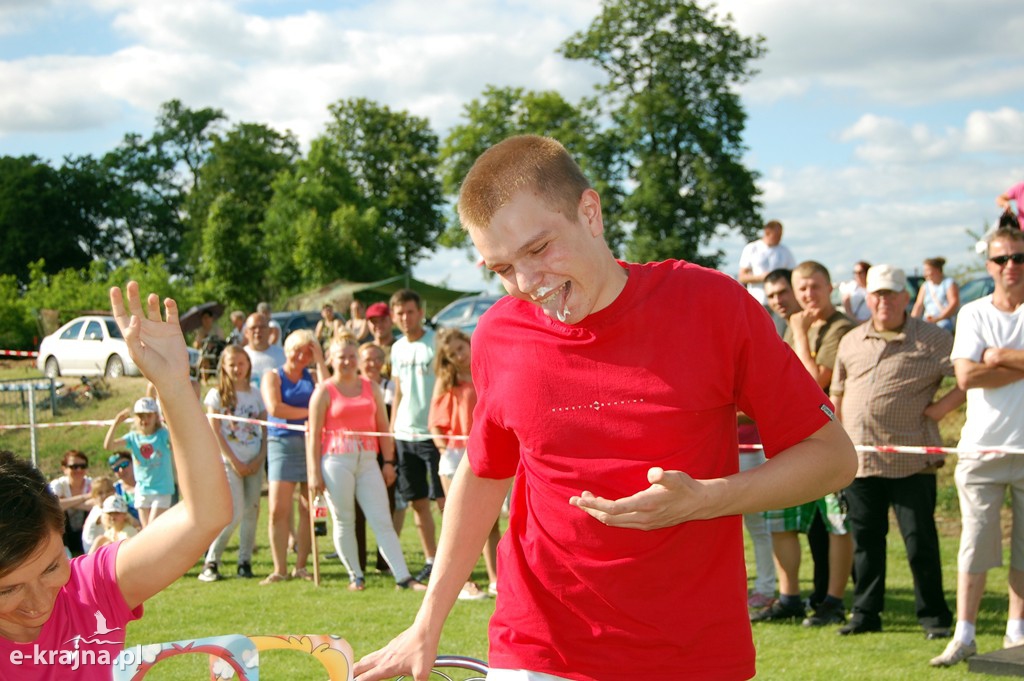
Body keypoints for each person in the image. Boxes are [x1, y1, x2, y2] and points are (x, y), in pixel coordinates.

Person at [354, 135, 857, 681]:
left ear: (589, 213)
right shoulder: (498, 333)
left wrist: (709, 498)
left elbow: (832, 457)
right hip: (538, 651)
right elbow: (483, 472)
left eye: (539, 248)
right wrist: (427, 622)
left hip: (691, 656)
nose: (527, 284)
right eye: (501, 268)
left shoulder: (709, 305)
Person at [0, 281, 231, 679]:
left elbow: (205, 514)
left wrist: (173, 384)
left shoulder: (89, 591)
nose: (38, 603)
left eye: (53, 566)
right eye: (8, 589)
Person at [831, 264, 961, 637]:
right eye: (877, 294)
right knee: (866, 543)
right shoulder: (851, 340)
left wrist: (939, 410)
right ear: (867, 297)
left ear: (906, 296)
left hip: (911, 459)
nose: (883, 301)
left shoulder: (933, 338)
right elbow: (837, 394)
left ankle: (934, 617)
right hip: (860, 460)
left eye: (890, 293)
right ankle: (865, 614)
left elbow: (965, 377)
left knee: (919, 541)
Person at [930, 226, 1024, 667]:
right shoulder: (972, 313)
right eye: (1002, 259)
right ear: (989, 266)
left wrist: (999, 357)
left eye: (1019, 258)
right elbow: (965, 378)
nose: (1011, 266)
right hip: (982, 450)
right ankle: (964, 634)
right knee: (975, 544)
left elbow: (981, 367)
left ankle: (1015, 632)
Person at [754, 261, 856, 628]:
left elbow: (812, 385)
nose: (806, 296)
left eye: (814, 287)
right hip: (791, 441)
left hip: (829, 442)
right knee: (781, 520)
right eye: (801, 289)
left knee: (836, 524)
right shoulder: (795, 325)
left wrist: (797, 333)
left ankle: (832, 602)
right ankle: (790, 597)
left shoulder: (840, 327)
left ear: (830, 287)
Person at [307, 335, 426, 591]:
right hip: (336, 461)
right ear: (332, 359)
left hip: (369, 460)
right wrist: (313, 473)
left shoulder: (370, 386)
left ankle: (403, 577)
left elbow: (383, 427)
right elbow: (314, 435)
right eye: (342, 357)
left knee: (382, 518)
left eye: (352, 356)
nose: (348, 362)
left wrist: (389, 462)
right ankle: (356, 575)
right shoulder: (323, 391)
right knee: (344, 520)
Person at [428, 328, 500, 601]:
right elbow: (434, 421)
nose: (460, 356)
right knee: (457, 521)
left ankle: (496, 580)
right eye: (453, 353)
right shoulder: (446, 379)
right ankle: (464, 583)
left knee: (490, 520)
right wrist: (443, 447)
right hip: (456, 455)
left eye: (461, 348)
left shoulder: (485, 370)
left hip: (486, 450)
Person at [260, 329, 328, 585]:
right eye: (297, 350)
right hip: (282, 444)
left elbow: (329, 390)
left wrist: (320, 359)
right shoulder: (273, 376)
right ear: (287, 350)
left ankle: (301, 566)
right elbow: (275, 408)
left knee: (308, 508)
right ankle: (280, 568)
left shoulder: (312, 376)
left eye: (307, 352)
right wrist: (312, 412)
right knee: (278, 509)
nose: (301, 356)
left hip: (311, 444)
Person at [198, 345, 268, 582]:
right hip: (229, 462)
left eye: (241, 363)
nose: (237, 369)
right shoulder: (216, 395)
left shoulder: (256, 393)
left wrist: (260, 457)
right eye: (232, 364)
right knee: (234, 513)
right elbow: (215, 432)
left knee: (252, 511)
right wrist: (234, 461)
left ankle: (244, 561)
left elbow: (265, 428)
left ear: (248, 364)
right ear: (224, 368)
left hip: (254, 459)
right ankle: (212, 561)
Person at [389, 288, 445, 583]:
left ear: (420, 312)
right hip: (403, 434)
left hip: (433, 435)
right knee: (417, 502)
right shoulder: (397, 348)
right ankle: (431, 559)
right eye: (400, 313)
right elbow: (397, 391)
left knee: (443, 500)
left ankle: (452, 562)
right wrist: (391, 428)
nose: (405, 318)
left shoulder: (434, 343)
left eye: (410, 312)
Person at [355, 341, 401, 573]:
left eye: (377, 359)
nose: (372, 364)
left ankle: (385, 562)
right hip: (357, 453)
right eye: (367, 359)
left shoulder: (389, 387)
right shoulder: (350, 386)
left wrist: (389, 461)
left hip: (385, 452)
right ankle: (358, 564)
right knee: (356, 513)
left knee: (386, 508)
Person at [103, 397, 174, 529]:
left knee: (152, 529)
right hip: (142, 489)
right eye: (141, 416)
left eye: (148, 416)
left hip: (162, 489)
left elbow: (178, 444)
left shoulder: (163, 434)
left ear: (156, 417)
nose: (144, 420)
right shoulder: (133, 437)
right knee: (146, 530)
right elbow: (108, 446)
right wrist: (116, 423)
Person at [738, 220, 797, 311]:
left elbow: (793, 274)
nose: (780, 238)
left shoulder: (785, 251)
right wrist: (762, 277)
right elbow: (742, 277)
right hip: (758, 300)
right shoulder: (752, 248)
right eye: (777, 235)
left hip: (780, 302)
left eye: (781, 235)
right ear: (767, 233)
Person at [48, 451, 94, 556]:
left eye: (83, 466)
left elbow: (97, 505)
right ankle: (64, 550)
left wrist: (67, 501)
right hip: (65, 534)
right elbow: (53, 506)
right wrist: (84, 498)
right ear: (64, 468)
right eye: (74, 466)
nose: (79, 470)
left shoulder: (91, 483)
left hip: (84, 531)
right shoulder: (58, 484)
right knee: (57, 513)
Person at [911, 257, 959, 333]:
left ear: (937, 270)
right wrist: (911, 323)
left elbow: (953, 303)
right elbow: (918, 305)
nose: (925, 274)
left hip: (944, 320)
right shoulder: (925, 286)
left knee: (942, 328)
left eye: (927, 270)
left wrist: (938, 318)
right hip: (927, 320)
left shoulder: (949, 283)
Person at [243, 312, 286, 387]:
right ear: (246, 332)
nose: (258, 331)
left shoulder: (282, 355)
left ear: (270, 331)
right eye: (253, 328)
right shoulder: (241, 356)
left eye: (262, 327)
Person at [365, 301, 398, 378]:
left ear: (391, 320)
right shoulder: (365, 350)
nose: (378, 325)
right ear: (368, 324)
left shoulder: (399, 348)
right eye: (374, 322)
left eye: (383, 320)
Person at [107, 453, 139, 522]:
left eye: (124, 465)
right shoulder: (115, 489)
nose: (121, 470)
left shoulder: (147, 483)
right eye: (116, 469)